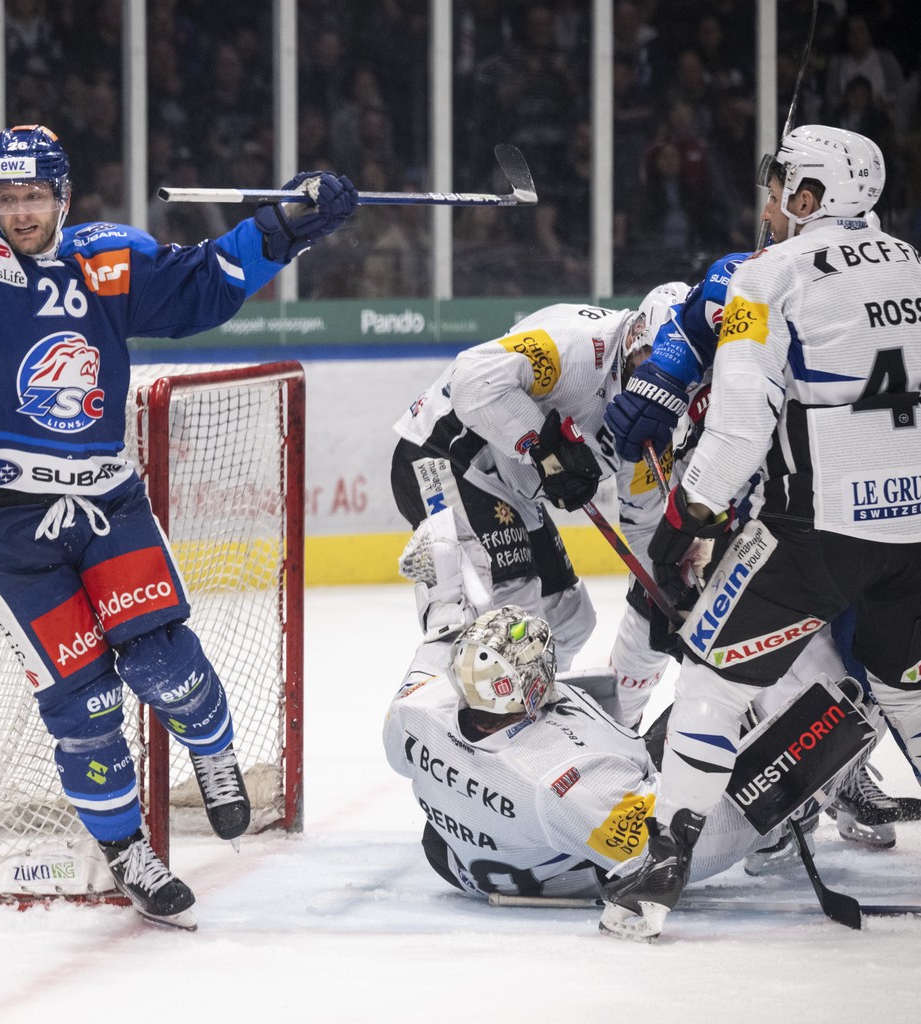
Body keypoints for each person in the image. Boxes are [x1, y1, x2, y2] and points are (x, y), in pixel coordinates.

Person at [0, 11, 357, 928]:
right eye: (6, 197)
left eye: (36, 196)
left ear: (63, 197)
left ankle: (215, 749)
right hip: (5, 532)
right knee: (81, 707)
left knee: (166, 663)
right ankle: (125, 853)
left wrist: (285, 227)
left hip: (106, 504)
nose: (21, 211)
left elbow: (202, 285)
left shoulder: (109, 259)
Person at [600, 125, 921, 941]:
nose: (770, 198)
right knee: (907, 687)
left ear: (810, 196)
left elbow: (743, 426)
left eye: (780, 184)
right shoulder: (915, 266)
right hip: (915, 526)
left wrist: (688, 514)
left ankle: (662, 864)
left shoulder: (768, 275)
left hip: (815, 530)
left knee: (711, 678)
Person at [382, 605, 823, 902]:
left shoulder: (414, 709)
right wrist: (784, 802)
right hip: (575, 859)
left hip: (463, 858)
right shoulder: (561, 784)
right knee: (707, 721)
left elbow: (437, 644)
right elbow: (683, 852)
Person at [390, 283, 686, 678]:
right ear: (635, 337)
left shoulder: (658, 406)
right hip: (443, 454)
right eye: (654, 363)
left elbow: (646, 519)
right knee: (510, 615)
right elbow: (471, 381)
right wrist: (547, 449)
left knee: (568, 619)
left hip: (508, 486)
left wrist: (666, 592)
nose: (662, 381)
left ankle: (531, 715)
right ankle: (458, 714)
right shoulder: (578, 348)